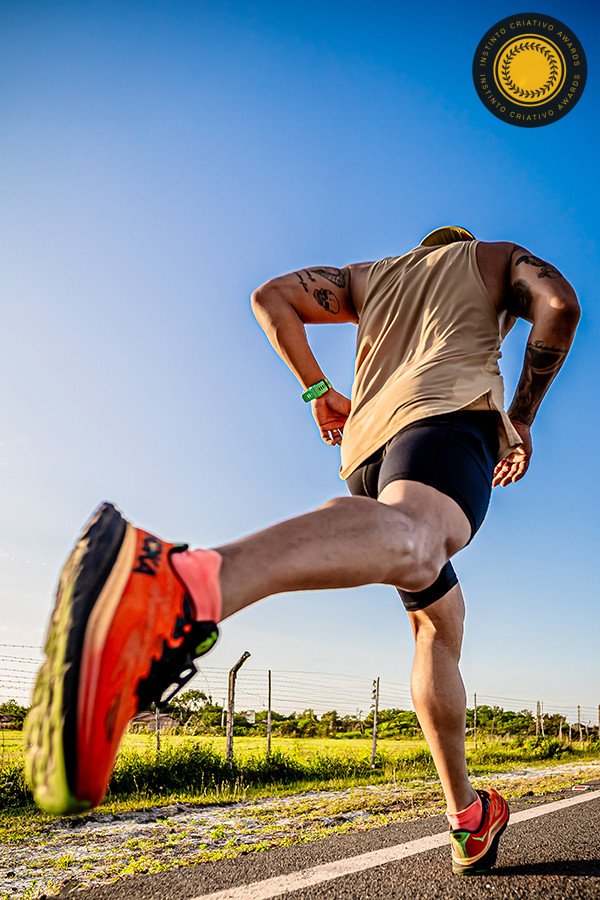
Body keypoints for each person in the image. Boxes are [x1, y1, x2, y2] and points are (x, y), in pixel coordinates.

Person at [24, 226, 580, 876]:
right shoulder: (490, 259)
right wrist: (523, 417)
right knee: (423, 539)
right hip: (445, 417)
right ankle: (180, 584)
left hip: (366, 452)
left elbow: (272, 296)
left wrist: (320, 393)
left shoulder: (370, 277)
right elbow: (559, 306)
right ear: (457, 245)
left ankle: (466, 815)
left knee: (438, 621)